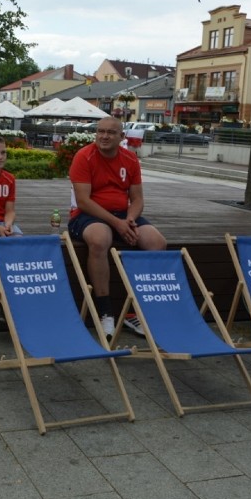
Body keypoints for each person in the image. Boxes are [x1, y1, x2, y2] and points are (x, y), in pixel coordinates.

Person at [67, 116, 166, 338]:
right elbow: (83, 201)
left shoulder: (130, 159)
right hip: (86, 214)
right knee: (101, 239)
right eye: (100, 131)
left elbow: (138, 199)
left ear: (122, 136)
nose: (104, 136)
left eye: (110, 132)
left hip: (122, 214)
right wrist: (117, 224)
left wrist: (129, 220)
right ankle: (105, 312)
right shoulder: (84, 156)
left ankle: (136, 313)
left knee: (157, 243)